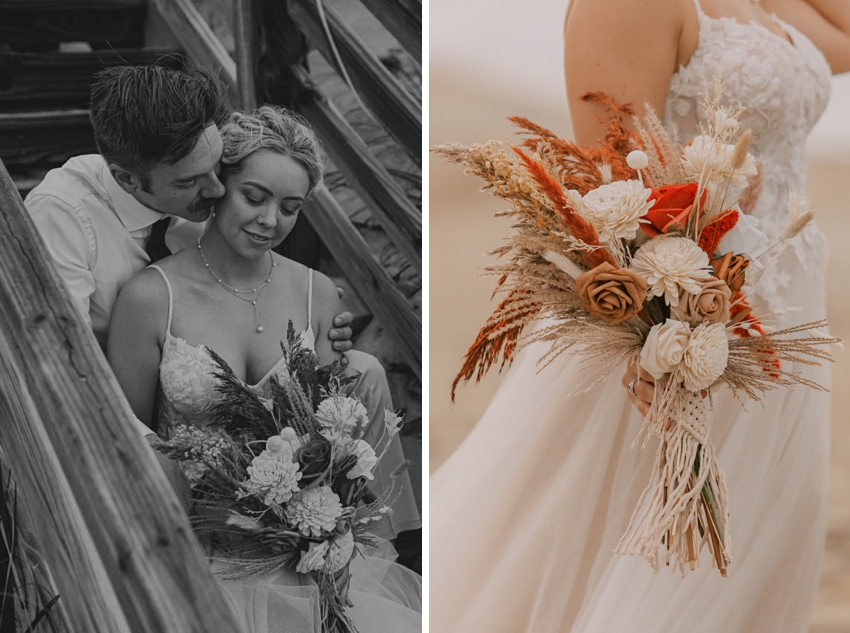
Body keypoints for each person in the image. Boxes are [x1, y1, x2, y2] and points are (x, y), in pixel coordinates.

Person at [431, 0, 850, 631]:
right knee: (644, 560)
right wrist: (666, 328)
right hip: (680, 318)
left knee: (755, 548)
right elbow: (611, 188)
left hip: (780, 308)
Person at [24, 63, 420, 542]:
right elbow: (61, 374)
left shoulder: (204, 210)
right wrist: (183, 467)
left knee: (365, 368)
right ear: (128, 179)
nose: (214, 190)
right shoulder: (63, 218)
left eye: (217, 170)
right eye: (194, 180)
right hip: (105, 428)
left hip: (279, 502)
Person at [106, 105, 421, 631]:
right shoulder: (149, 298)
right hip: (197, 546)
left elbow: (329, 434)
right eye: (255, 197)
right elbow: (128, 440)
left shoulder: (317, 291)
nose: (270, 221)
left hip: (303, 550)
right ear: (216, 186)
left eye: (290, 207)